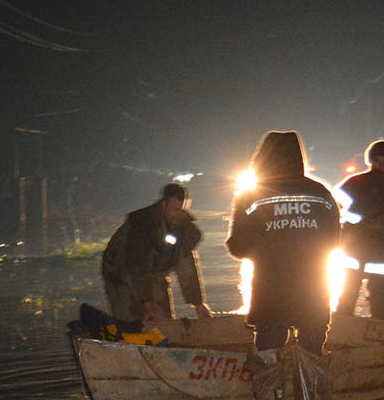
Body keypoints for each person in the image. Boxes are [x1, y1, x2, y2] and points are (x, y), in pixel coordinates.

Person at [225, 130, 340, 352]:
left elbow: (237, 246)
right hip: (313, 292)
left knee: (269, 355)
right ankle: (310, 387)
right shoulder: (322, 195)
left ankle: (273, 387)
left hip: (271, 294)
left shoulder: (251, 197)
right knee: (312, 357)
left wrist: (267, 248)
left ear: (263, 157)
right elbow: (333, 242)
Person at [100, 182, 211, 325]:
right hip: (120, 273)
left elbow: (186, 268)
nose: (178, 214)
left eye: (181, 210)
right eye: (174, 209)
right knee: (133, 321)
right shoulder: (143, 225)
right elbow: (136, 268)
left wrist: (199, 305)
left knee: (164, 321)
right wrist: (147, 305)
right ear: (163, 204)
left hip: (154, 273)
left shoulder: (182, 228)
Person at [333, 138, 384, 321]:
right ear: (370, 161)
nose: (380, 166)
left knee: (381, 300)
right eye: (377, 161)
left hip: (381, 253)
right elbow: (334, 209)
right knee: (347, 296)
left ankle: (382, 336)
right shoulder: (353, 184)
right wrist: (357, 223)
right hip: (354, 251)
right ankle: (339, 333)